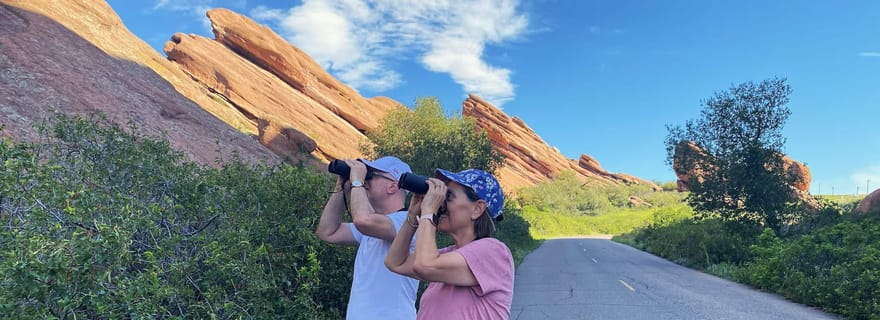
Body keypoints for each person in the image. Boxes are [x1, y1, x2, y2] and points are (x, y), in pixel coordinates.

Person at [385, 168, 514, 320]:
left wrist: (429, 212)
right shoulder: (446, 256)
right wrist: (413, 215)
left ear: (477, 209)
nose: (440, 203)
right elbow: (395, 262)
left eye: (448, 196)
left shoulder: (493, 251)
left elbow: (425, 265)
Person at [315, 156, 418, 320]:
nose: (365, 178)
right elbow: (328, 232)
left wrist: (357, 182)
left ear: (393, 186)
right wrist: (341, 187)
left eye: (371, 175)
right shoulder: (372, 225)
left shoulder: (408, 222)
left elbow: (363, 220)